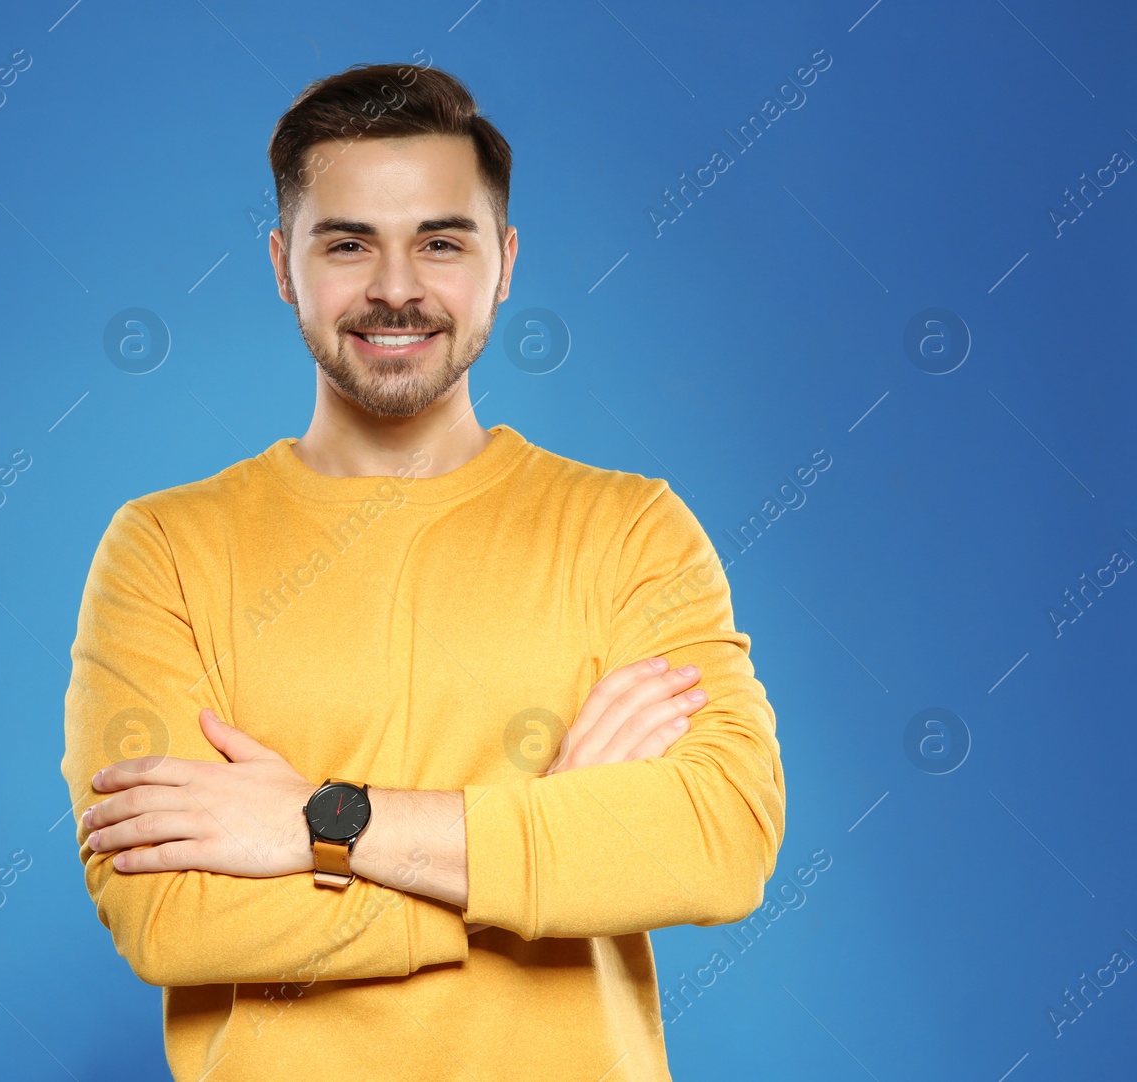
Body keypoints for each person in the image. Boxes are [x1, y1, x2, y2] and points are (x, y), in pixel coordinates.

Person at [62, 60, 785, 1081]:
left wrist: (319, 818)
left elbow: (720, 835)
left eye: (441, 241)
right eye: (347, 242)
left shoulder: (628, 529)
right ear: (282, 263)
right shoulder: (166, 548)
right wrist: (540, 848)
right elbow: (170, 915)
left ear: (504, 261)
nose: (396, 286)